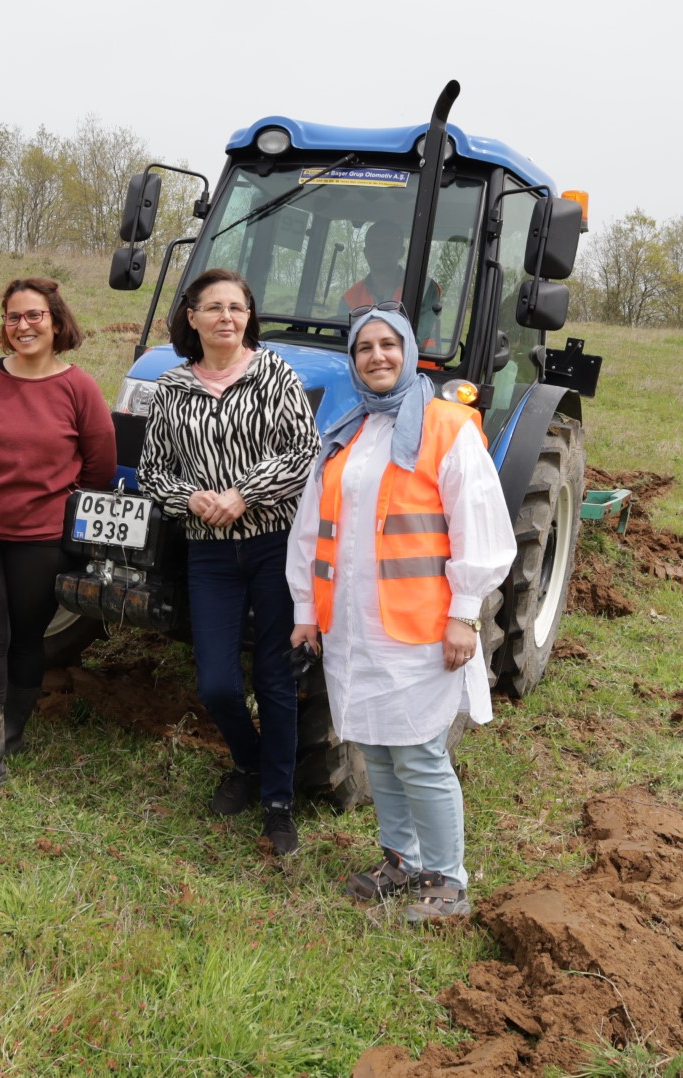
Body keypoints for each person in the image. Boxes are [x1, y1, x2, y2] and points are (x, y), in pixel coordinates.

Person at [287, 308, 513, 921]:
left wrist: (465, 613)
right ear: (353, 359)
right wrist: (306, 609)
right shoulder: (345, 430)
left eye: (389, 344)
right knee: (376, 746)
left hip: (418, 627)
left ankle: (449, 879)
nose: (377, 356)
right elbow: (312, 530)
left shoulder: (447, 427)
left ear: (410, 352)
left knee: (418, 753)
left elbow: (479, 526)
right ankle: (402, 859)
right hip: (352, 626)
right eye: (365, 347)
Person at [139, 269, 319, 855]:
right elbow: (152, 472)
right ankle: (250, 763)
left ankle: (277, 801)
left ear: (249, 316)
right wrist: (190, 499)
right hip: (208, 552)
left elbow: (303, 453)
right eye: (212, 307)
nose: (225, 317)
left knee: (273, 677)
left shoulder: (275, 375)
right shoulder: (171, 388)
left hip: (272, 544)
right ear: (190, 317)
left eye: (236, 307)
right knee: (217, 683)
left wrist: (244, 494)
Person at [0, 278, 116, 803]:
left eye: (35, 316)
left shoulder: (78, 388)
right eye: (14, 317)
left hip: (40, 536)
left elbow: (100, 464)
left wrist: (53, 501)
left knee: (25, 638)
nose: (24, 326)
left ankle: (10, 732)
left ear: (56, 322)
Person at [340, 221, 442, 349]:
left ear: (401, 252)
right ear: (366, 253)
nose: (380, 250)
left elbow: (415, 339)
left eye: (387, 245)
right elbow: (339, 340)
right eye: (374, 245)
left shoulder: (424, 289)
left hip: (420, 366)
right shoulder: (350, 297)